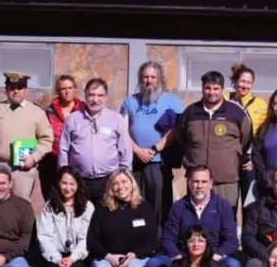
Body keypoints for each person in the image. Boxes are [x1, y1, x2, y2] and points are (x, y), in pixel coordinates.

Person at [146, 165, 240, 267]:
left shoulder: (223, 206)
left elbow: (231, 240)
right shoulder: (178, 207)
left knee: (234, 266)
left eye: (204, 182)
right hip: (183, 256)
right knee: (153, 264)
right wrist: (178, 256)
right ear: (189, 183)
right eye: (195, 181)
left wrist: (215, 257)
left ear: (211, 183)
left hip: (214, 256)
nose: (199, 186)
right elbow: (167, 237)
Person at [174, 71, 253, 210]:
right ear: (202, 89)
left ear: (222, 89)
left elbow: (246, 139)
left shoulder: (236, 112)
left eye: (216, 88)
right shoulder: (190, 112)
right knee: (197, 219)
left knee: (226, 221)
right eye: (207, 88)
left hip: (226, 180)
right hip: (197, 181)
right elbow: (182, 139)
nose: (212, 92)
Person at [0, 72, 54, 203]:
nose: (16, 91)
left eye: (20, 88)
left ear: (26, 90)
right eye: (12, 88)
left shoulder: (37, 112)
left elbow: (47, 140)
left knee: (20, 208)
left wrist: (33, 158)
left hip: (23, 170)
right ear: (6, 89)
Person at [120, 61, 184, 225]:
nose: (149, 80)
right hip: (135, 161)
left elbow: (176, 129)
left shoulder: (171, 101)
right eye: (145, 77)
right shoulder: (130, 102)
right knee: (135, 203)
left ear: (160, 78)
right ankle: (138, 240)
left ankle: (158, 243)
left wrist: (156, 148)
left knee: (159, 205)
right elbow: (122, 129)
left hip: (159, 163)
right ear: (140, 79)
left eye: (152, 77)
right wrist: (137, 150)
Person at [59, 78, 132, 200]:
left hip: (109, 180)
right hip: (80, 180)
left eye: (100, 95)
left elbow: (125, 150)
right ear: (85, 95)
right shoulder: (73, 119)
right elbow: (63, 148)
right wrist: (64, 175)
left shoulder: (116, 119)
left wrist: (124, 176)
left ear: (105, 97)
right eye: (91, 95)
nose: (95, 99)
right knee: (81, 217)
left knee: (107, 217)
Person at [227, 63, 268, 205]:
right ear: (235, 81)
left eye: (249, 82)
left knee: (249, 205)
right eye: (242, 81)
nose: (245, 85)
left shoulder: (260, 104)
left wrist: (254, 159)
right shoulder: (224, 100)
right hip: (228, 159)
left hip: (249, 161)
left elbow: (263, 135)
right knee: (228, 203)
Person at [41, 75, 83, 194]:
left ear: (75, 88)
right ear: (58, 91)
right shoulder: (49, 112)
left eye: (70, 87)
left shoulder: (84, 110)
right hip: (52, 163)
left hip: (77, 163)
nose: (67, 91)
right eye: (63, 89)